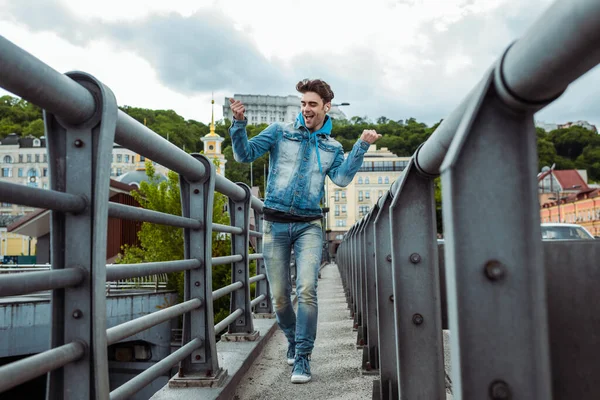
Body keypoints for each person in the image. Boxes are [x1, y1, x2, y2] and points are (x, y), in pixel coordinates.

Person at [228, 79, 380, 384]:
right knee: (280, 297)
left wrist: (361, 146)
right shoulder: (278, 132)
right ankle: (295, 341)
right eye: (303, 104)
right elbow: (244, 155)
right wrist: (239, 123)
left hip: (309, 225)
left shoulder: (332, 147)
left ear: (326, 107)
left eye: (312, 104)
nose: (306, 109)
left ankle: (303, 358)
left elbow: (342, 179)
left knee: (307, 289)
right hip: (274, 223)